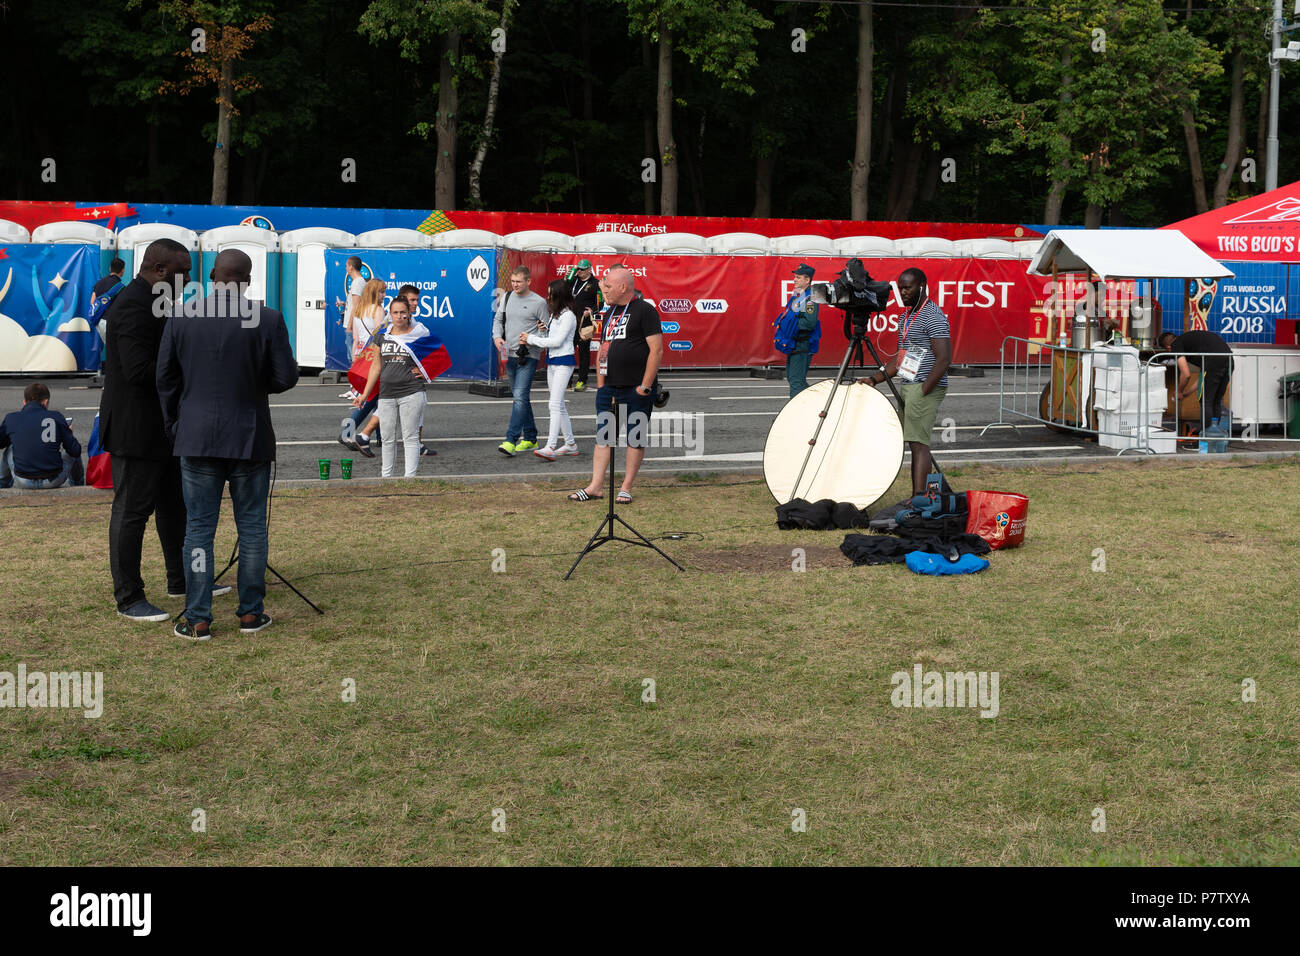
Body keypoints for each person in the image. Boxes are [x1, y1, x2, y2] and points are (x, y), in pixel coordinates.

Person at [156, 249, 298, 640]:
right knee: (251, 527)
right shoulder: (267, 318)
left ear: (213, 275)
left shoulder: (182, 315)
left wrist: (175, 424)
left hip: (197, 435)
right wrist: (251, 386)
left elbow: (165, 379)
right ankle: (251, 613)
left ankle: (198, 616)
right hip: (248, 434)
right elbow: (286, 377)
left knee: (199, 529)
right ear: (248, 281)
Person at [98, 237, 195, 623]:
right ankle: (128, 597)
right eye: (182, 272)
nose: (188, 278)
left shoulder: (156, 301)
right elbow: (140, 371)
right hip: (135, 428)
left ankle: (180, 579)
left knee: (174, 505)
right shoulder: (134, 307)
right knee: (131, 511)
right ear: (158, 271)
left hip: (161, 427)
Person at [568, 265, 662, 504]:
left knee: (635, 438)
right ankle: (596, 486)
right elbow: (603, 346)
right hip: (609, 388)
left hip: (636, 389)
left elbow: (656, 350)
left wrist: (645, 387)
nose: (604, 290)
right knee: (604, 438)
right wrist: (600, 383)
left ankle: (626, 487)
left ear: (623, 287)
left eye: (608, 286)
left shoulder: (645, 310)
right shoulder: (610, 312)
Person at [859, 267, 951, 498]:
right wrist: (874, 379)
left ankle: (919, 499)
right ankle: (922, 495)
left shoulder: (934, 315)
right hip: (909, 384)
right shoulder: (905, 317)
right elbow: (901, 358)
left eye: (907, 287)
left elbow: (944, 358)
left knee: (919, 444)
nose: (903, 292)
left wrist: (924, 388)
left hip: (923, 387)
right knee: (912, 442)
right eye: (900, 287)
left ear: (922, 286)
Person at [352, 296, 427, 478]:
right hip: (386, 394)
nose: (399, 316)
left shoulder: (419, 333)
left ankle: (409, 479)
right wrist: (364, 395)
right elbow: (376, 367)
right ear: (390, 314)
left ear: (409, 314)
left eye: (403, 312)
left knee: (409, 438)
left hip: (412, 392)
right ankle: (386, 479)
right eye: (395, 312)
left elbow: (436, 355)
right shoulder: (382, 335)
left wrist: (425, 370)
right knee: (387, 439)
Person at [492, 266, 549, 456]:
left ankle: (510, 439)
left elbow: (545, 331)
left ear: (528, 282)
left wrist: (534, 339)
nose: (515, 285)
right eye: (513, 281)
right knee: (521, 398)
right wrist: (497, 337)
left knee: (519, 397)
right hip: (509, 352)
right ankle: (531, 438)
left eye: (519, 282)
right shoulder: (507, 298)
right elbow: (499, 320)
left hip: (528, 356)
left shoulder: (539, 302)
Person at [525, 279, 581, 460]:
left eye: (551, 294)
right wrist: (543, 331)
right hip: (553, 361)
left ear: (559, 295)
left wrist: (531, 338)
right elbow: (551, 339)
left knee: (554, 404)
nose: (548, 297)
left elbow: (557, 342)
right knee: (559, 405)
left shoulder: (568, 316)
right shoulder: (556, 315)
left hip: (564, 362)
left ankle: (550, 446)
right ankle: (570, 444)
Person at [338, 278, 389, 458]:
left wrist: (355, 359)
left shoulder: (358, 310)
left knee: (376, 397)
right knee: (373, 397)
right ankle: (347, 432)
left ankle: (381, 437)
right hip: (375, 357)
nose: (384, 295)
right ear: (375, 292)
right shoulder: (378, 310)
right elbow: (380, 336)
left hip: (361, 356)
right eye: (382, 291)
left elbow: (356, 338)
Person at [0, 383, 84, 489]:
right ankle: (78, 486)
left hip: (23, 480)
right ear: (45, 402)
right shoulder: (56, 417)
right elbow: (75, 451)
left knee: (10, 449)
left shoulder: (11, 418)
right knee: (73, 446)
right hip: (53, 480)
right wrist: (69, 434)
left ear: (24, 402)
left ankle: (2, 487)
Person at [1158, 328, 1234, 434]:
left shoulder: (1176, 345)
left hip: (1214, 361)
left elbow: (1186, 374)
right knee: (1215, 401)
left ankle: (1206, 439)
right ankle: (1214, 437)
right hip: (1229, 360)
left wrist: (1179, 391)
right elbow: (1203, 377)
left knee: (1206, 401)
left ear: (1168, 348)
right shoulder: (1192, 342)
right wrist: (1187, 393)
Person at [775, 263, 821, 398]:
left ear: (807, 280)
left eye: (799, 277)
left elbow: (809, 322)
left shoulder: (810, 298)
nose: (795, 279)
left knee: (796, 381)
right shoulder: (797, 296)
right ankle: (819, 401)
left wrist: (789, 325)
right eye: (795, 277)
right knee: (793, 378)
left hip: (802, 344)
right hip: (794, 343)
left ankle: (795, 415)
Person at [567, 259, 600, 391]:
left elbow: (600, 303)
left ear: (589, 270)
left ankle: (582, 380)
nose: (579, 271)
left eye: (582, 269)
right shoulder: (573, 280)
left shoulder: (595, 283)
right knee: (568, 350)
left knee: (584, 352)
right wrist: (567, 278)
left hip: (584, 323)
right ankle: (567, 380)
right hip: (569, 321)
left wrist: (591, 310)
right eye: (578, 269)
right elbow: (562, 290)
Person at [337, 256, 366, 399]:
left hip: (354, 325)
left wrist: (349, 324)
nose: (346, 269)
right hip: (353, 323)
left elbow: (357, 305)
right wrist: (344, 304)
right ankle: (353, 388)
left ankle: (357, 389)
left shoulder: (357, 283)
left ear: (351, 267)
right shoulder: (358, 282)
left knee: (354, 357)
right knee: (352, 357)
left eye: (346, 266)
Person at [90, 257, 127, 364]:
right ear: (122, 270)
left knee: (110, 348)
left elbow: (92, 302)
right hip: (113, 322)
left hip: (99, 321)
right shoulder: (121, 287)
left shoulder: (99, 283)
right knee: (116, 350)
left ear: (110, 268)